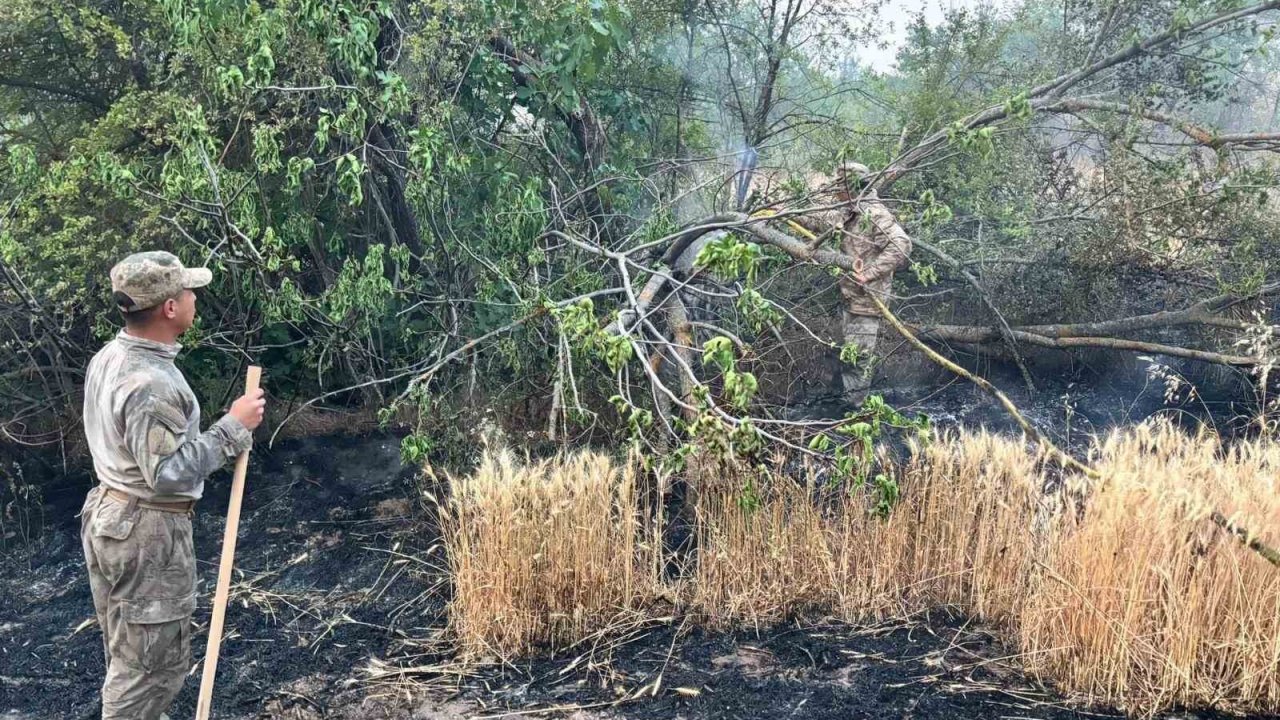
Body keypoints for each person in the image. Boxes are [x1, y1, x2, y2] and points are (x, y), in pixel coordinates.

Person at [80, 251, 267, 720]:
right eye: (187, 291)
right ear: (168, 307)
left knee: (131, 651)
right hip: (146, 531)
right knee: (150, 668)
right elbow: (165, 474)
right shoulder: (150, 383)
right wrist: (233, 427)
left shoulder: (111, 356)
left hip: (111, 513)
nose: (193, 298)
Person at [795, 161, 914, 398]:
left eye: (840, 185)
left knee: (858, 361)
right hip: (849, 298)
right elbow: (823, 222)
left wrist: (868, 274)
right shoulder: (850, 209)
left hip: (866, 303)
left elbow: (902, 246)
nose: (835, 190)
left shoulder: (874, 213)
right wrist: (794, 215)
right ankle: (840, 402)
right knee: (844, 353)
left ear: (852, 187)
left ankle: (855, 415)